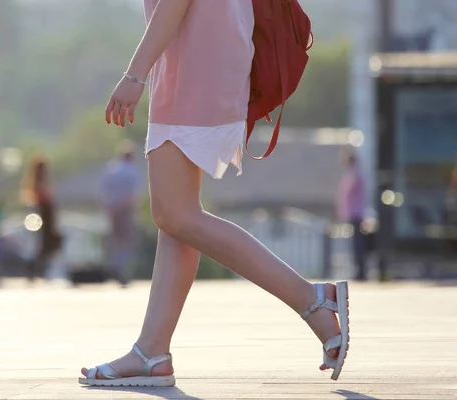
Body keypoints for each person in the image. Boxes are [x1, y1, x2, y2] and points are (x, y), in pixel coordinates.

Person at [80, 0, 350, 387]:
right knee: (179, 218)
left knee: (175, 215)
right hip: (200, 64)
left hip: (194, 70)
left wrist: (134, 75)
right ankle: (151, 351)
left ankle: (312, 299)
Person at [100, 140, 141, 286]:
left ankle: (113, 267)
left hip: (112, 209)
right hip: (125, 210)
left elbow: (104, 191)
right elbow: (132, 195)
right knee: (127, 241)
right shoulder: (131, 171)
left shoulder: (111, 169)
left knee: (115, 241)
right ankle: (121, 270)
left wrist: (110, 208)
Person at [21, 155, 63, 283]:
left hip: (47, 214)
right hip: (43, 214)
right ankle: (36, 270)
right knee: (41, 244)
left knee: (46, 245)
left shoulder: (41, 183)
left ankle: (42, 270)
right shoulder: (38, 184)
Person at [337, 148, 367, 281]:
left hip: (356, 214)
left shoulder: (354, 175)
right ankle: (358, 270)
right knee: (356, 245)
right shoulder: (353, 174)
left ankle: (360, 271)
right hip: (353, 214)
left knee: (358, 245)